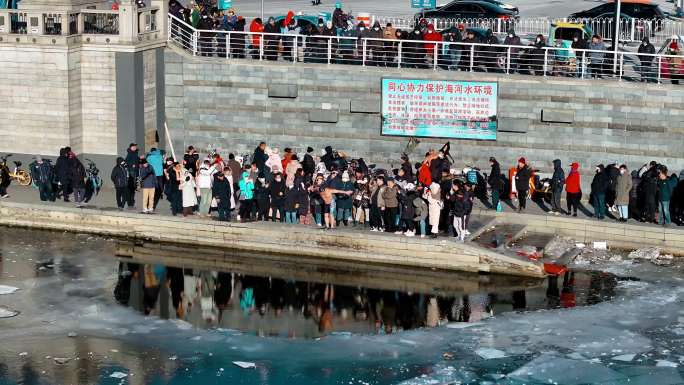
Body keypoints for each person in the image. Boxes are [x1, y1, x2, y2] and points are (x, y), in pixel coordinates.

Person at [124, 143, 140, 208]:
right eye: (133, 146)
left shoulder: (135, 153)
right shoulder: (130, 153)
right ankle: (130, 203)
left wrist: (140, 159)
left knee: (133, 187)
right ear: (131, 147)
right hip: (132, 171)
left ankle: (131, 203)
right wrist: (131, 165)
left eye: (135, 146)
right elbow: (126, 161)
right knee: (132, 187)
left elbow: (136, 161)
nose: (135, 147)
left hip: (135, 171)